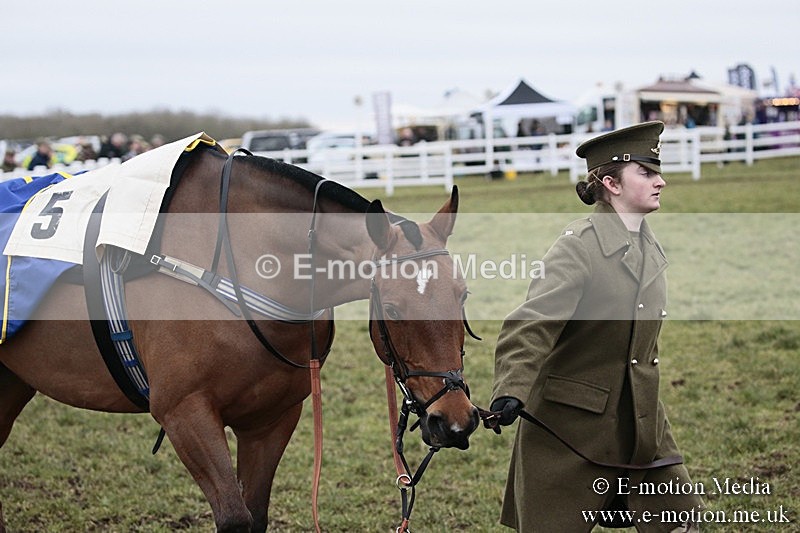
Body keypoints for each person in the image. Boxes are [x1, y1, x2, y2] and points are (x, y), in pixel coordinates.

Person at [490, 121, 703, 532]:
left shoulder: (648, 243)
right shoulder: (577, 247)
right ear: (611, 183)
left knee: (681, 524)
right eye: (647, 172)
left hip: (642, 422)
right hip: (569, 429)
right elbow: (531, 324)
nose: (661, 181)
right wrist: (511, 390)